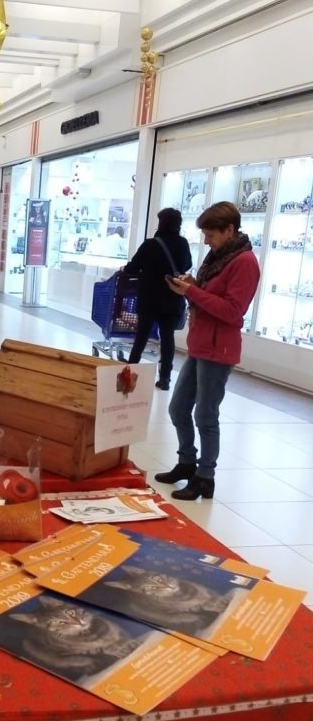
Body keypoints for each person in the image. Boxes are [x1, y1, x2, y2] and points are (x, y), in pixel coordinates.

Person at [154, 201, 260, 501]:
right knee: (177, 408)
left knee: (206, 415)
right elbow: (208, 296)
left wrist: (193, 291)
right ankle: (187, 462)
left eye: (211, 234)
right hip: (201, 344)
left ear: (230, 230)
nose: (206, 240)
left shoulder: (244, 263)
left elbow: (232, 311)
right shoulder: (219, 257)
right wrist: (192, 286)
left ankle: (205, 477)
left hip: (219, 348)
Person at [124, 208, 193, 390]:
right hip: (172, 298)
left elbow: (132, 267)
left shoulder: (150, 244)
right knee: (168, 338)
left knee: (141, 337)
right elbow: (188, 265)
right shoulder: (183, 243)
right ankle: (165, 378)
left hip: (149, 298)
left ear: (161, 222)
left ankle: (129, 374)